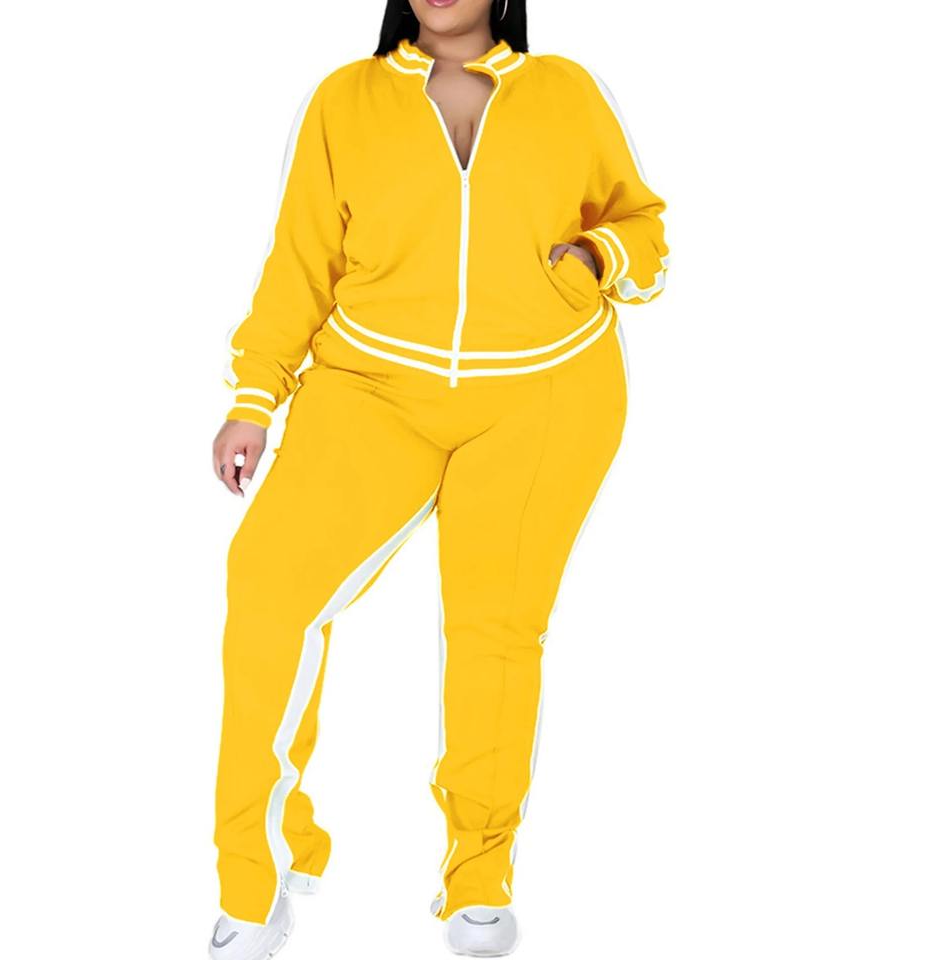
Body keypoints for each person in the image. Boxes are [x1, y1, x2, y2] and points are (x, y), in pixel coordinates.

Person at [208, 0, 669, 956]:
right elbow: (300, 262)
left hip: (544, 391)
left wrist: (598, 255)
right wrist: (256, 397)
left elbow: (645, 227)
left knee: (495, 628)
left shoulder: (566, 91)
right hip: (371, 386)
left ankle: (478, 876)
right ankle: (257, 874)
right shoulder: (344, 100)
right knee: (268, 590)